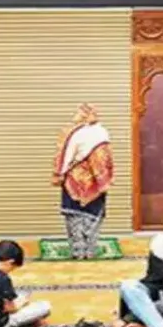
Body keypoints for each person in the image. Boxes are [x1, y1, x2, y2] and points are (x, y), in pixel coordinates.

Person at [53, 103, 115, 260]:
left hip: (72, 179)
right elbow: (104, 160)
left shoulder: (72, 133)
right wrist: (103, 180)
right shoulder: (101, 133)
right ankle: (89, 251)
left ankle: (77, 252)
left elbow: (64, 157)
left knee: (73, 217)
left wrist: (60, 173)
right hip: (93, 182)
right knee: (92, 217)